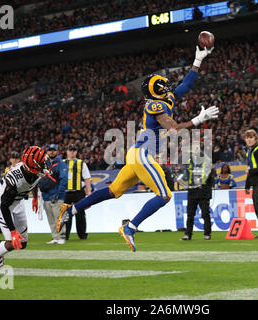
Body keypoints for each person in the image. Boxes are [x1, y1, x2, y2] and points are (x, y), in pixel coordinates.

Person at [57, 45, 218, 251]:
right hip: (143, 154)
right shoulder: (154, 105)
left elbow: (185, 85)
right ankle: (131, 227)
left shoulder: (164, 99)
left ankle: (71, 210)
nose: (168, 87)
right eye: (163, 86)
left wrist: (198, 60)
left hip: (137, 154)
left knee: (114, 190)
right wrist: (198, 119)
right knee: (164, 195)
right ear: (158, 91)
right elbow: (175, 128)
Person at [0, 146, 49, 270]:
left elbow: (35, 181)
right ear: (31, 166)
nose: (44, 164)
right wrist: (12, 231)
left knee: (22, 243)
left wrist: (34, 197)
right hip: (2, 204)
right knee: (12, 241)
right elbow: (4, 206)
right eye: (41, 163)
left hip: (18, 202)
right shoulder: (16, 179)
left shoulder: (34, 170)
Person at [180, 150, 216, 241]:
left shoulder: (206, 162)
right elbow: (186, 176)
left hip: (203, 191)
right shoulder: (189, 162)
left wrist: (208, 189)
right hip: (192, 190)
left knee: (205, 214)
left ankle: (207, 234)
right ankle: (188, 234)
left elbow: (212, 177)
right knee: (190, 214)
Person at [38, 144, 68, 244]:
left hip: (57, 196)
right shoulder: (44, 164)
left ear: (57, 152)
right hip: (46, 196)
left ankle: (62, 237)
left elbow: (64, 180)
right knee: (51, 219)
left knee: (58, 217)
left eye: (53, 150)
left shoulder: (61, 163)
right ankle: (55, 237)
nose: (51, 152)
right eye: (49, 150)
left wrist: (59, 194)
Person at [63, 144, 91, 240]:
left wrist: (89, 193)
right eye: (70, 150)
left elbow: (87, 178)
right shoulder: (61, 163)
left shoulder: (81, 163)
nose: (72, 152)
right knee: (65, 214)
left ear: (76, 152)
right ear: (67, 151)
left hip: (78, 192)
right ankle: (65, 235)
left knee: (80, 214)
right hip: (65, 193)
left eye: (74, 150)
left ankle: (82, 234)